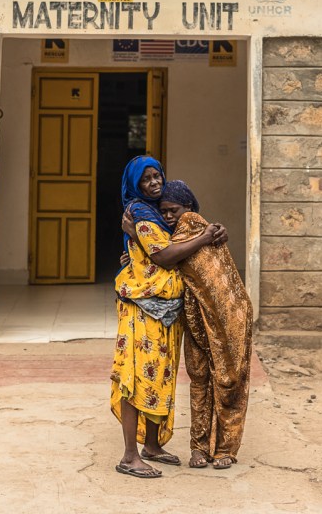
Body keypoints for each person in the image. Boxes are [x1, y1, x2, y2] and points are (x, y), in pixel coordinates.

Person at [123, 179, 253, 471]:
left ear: (190, 207)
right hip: (195, 317)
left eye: (174, 210)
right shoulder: (169, 232)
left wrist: (138, 238)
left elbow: (168, 258)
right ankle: (199, 447)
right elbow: (165, 256)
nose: (169, 216)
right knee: (199, 381)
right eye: (164, 211)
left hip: (225, 317)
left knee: (228, 381)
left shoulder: (193, 223)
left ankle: (225, 449)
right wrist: (138, 242)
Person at [110, 156, 223, 479]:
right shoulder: (141, 215)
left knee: (160, 374)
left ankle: (152, 445)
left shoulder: (160, 214)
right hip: (142, 308)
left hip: (165, 308)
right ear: (135, 184)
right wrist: (202, 238)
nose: (153, 183)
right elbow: (165, 257)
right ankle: (130, 456)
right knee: (135, 378)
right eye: (145, 179)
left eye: (156, 176)